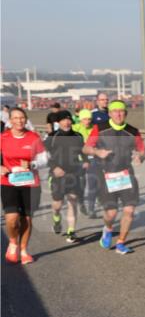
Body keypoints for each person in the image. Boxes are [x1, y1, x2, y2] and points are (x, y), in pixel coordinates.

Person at [83, 100, 145, 254]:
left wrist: (140, 157)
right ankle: (108, 229)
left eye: (121, 111)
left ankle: (121, 242)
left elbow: (143, 151)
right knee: (111, 213)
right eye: (115, 111)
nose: (118, 114)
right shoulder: (100, 128)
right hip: (106, 175)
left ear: (126, 113)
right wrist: (97, 152)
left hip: (126, 174)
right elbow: (86, 148)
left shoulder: (133, 131)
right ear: (110, 113)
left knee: (129, 210)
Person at [1, 107, 47, 263]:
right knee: (12, 218)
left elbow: (44, 159)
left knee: (27, 218)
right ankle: (13, 242)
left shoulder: (33, 137)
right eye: (15, 118)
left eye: (21, 117)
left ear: (26, 119)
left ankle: (23, 250)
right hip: (9, 181)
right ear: (10, 120)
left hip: (30, 183)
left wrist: (32, 164)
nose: (19, 121)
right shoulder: (3, 137)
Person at [47, 110, 86, 242]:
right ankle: (56, 219)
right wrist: (54, 167)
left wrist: (86, 161)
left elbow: (83, 152)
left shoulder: (78, 136)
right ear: (58, 122)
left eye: (69, 119)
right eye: (63, 119)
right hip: (57, 175)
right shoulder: (52, 137)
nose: (67, 122)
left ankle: (71, 231)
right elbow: (43, 155)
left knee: (72, 201)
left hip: (74, 174)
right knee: (57, 205)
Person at [72, 109, 98, 217]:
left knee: (93, 183)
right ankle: (81, 203)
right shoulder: (75, 128)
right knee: (82, 184)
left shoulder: (95, 128)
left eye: (89, 119)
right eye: (85, 119)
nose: (87, 121)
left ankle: (91, 208)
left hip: (92, 158)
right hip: (79, 159)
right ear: (80, 119)